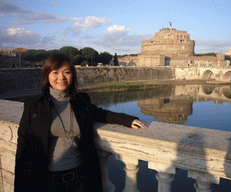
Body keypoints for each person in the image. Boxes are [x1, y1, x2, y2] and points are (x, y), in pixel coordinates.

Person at [14, 53, 147, 192]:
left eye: (67, 72)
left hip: (79, 178)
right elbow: (22, 147)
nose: (61, 77)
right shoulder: (34, 105)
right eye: (55, 72)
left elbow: (101, 113)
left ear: (73, 75)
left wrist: (128, 120)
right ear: (47, 75)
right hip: (46, 181)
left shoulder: (81, 100)